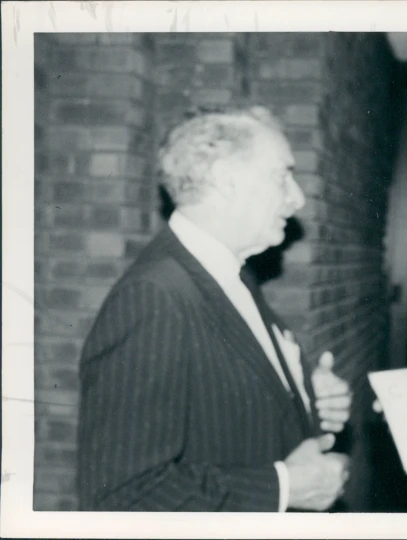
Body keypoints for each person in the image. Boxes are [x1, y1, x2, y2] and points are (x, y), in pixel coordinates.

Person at [77, 106, 352, 512]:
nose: (296, 198)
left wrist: (306, 394)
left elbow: (220, 404)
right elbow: (122, 493)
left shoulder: (230, 272)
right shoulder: (154, 297)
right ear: (227, 181)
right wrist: (283, 487)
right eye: (282, 176)